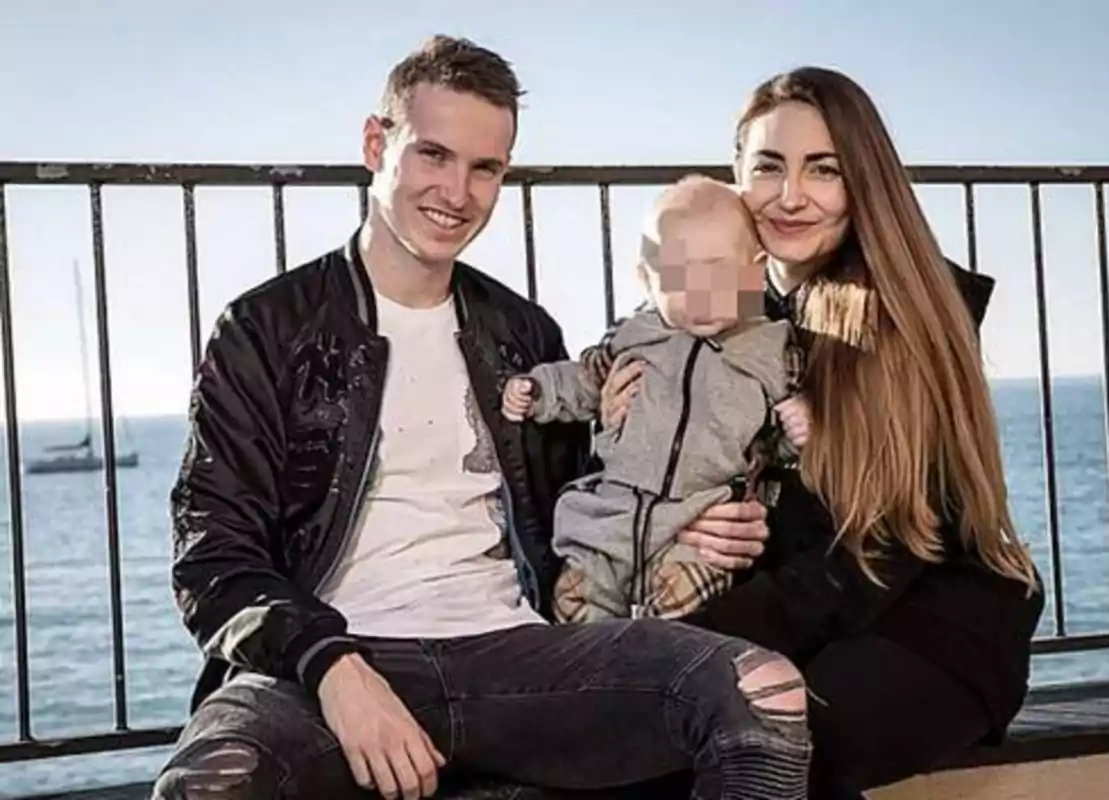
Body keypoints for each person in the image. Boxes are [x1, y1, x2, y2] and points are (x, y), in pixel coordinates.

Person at [154, 36, 814, 800]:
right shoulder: (266, 328)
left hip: (516, 655)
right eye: (433, 155)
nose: (457, 192)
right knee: (210, 785)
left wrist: (691, 523)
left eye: (485, 168)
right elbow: (212, 555)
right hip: (327, 660)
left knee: (764, 691)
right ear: (377, 144)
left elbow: (595, 494)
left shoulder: (522, 333)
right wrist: (331, 666)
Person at [598, 67, 1046, 798]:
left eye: (824, 170)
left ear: (862, 181)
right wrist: (619, 421)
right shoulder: (726, 308)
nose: (791, 195)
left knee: (755, 742)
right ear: (736, 174)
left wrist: (692, 637)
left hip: (930, 625)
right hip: (813, 611)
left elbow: (880, 554)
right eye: (768, 167)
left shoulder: (892, 321)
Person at [501, 174, 810, 623]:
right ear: (647, 278)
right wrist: (539, 390)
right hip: (613, 517)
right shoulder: (635, 336)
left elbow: (774, 444)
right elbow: (587, 379)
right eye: (678, 276)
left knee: (683, 613)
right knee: (574, 600)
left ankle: (662, 679)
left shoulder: (771, 353)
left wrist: (799, 432)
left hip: (698, 524)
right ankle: (593, 682)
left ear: (754, 269)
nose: (700, 293)